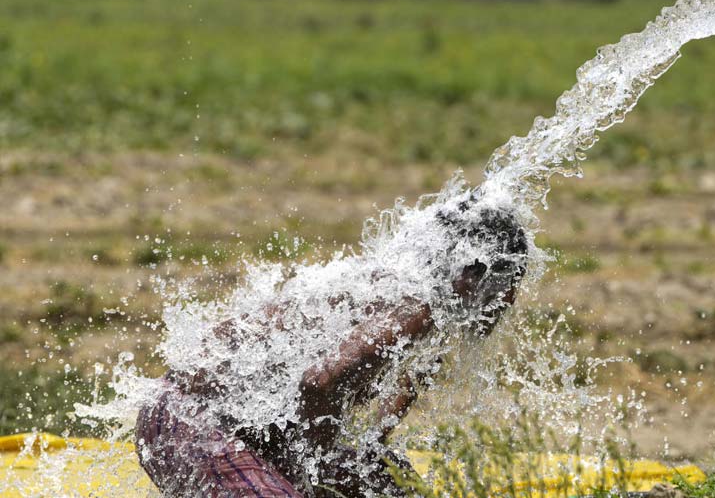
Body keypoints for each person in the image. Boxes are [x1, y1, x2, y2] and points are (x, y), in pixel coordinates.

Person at [135, 200, 527, 497]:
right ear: (471, 276)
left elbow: (400, 392)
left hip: (204, 421)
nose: (508, 301)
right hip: (193, 423)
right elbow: (319, 383)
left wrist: (362, 457)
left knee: (388, 484)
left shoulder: (427, 306)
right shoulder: (416, 307)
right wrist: (313, 475)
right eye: (510, 285)